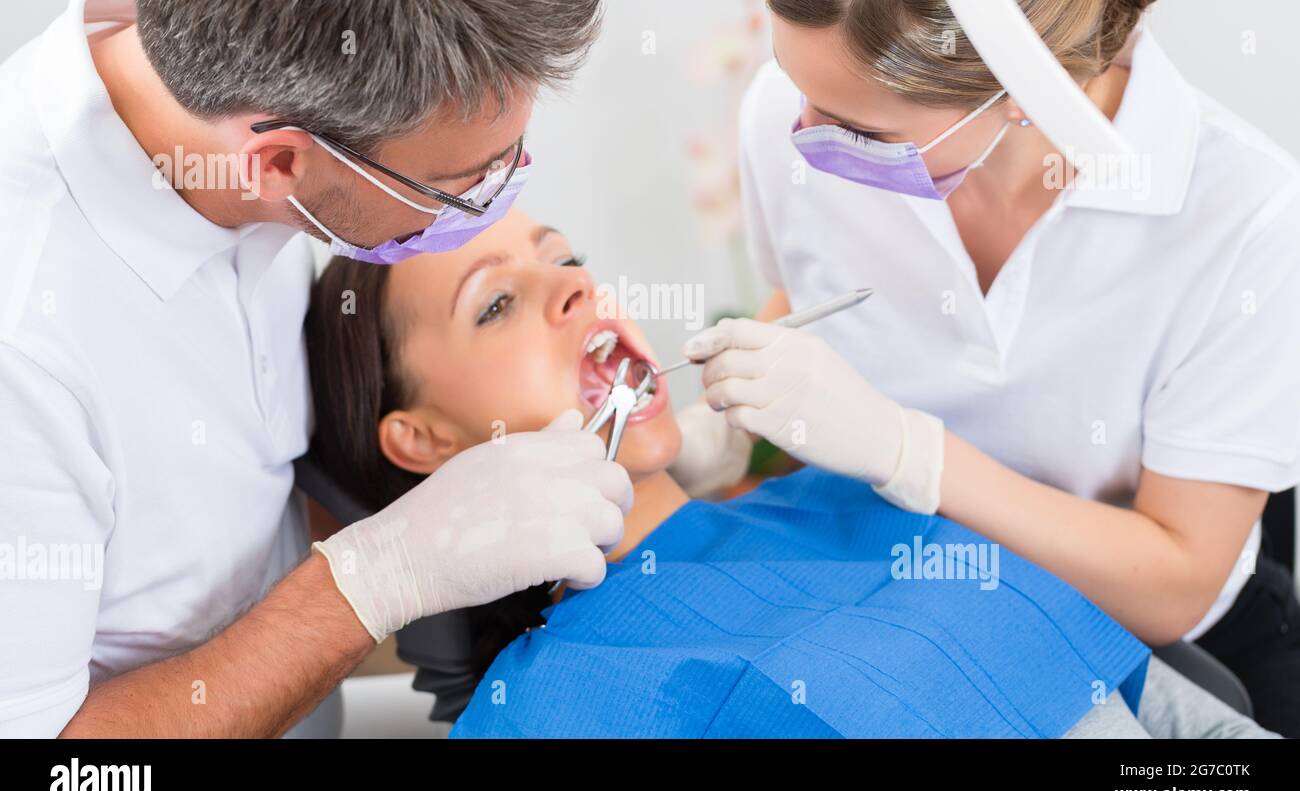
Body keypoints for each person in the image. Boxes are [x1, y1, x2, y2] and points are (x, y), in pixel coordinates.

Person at [0, 0, 631, 738]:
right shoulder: (27, 341)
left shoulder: (246, 36)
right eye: (463, 184)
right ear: (280, 167)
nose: (502, 193)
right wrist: (380, 577)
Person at [669, 0, 1300, 736]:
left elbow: (1176, 582)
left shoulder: (1246, 214)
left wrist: (911, 455)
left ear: (1023, 96)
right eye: (791, 81)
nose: (799, 137)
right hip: (901, 594)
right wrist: (735, 430)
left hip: (1164, 628)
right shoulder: (786, 120)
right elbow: (810, 295)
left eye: (861, 132)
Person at [302, 208, 1277, 739]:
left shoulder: (836, 498)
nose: (575, 287)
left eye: (570, 259)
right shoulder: (542, 705)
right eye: (497, 303)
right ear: (419, 438)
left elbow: (1188, 736)